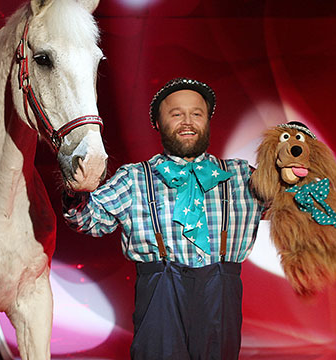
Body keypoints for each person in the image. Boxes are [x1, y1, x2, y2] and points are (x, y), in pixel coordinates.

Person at [62, 77, 265, 359]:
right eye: (176, 114)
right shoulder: (134, 178)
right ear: (158, 123)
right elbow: (88, 220)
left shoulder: (241, 176)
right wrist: (77, 189)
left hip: (222, 298)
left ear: (207, 120)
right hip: (159, 300)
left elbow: (291, 202)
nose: (187, 121)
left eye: (196, 113)